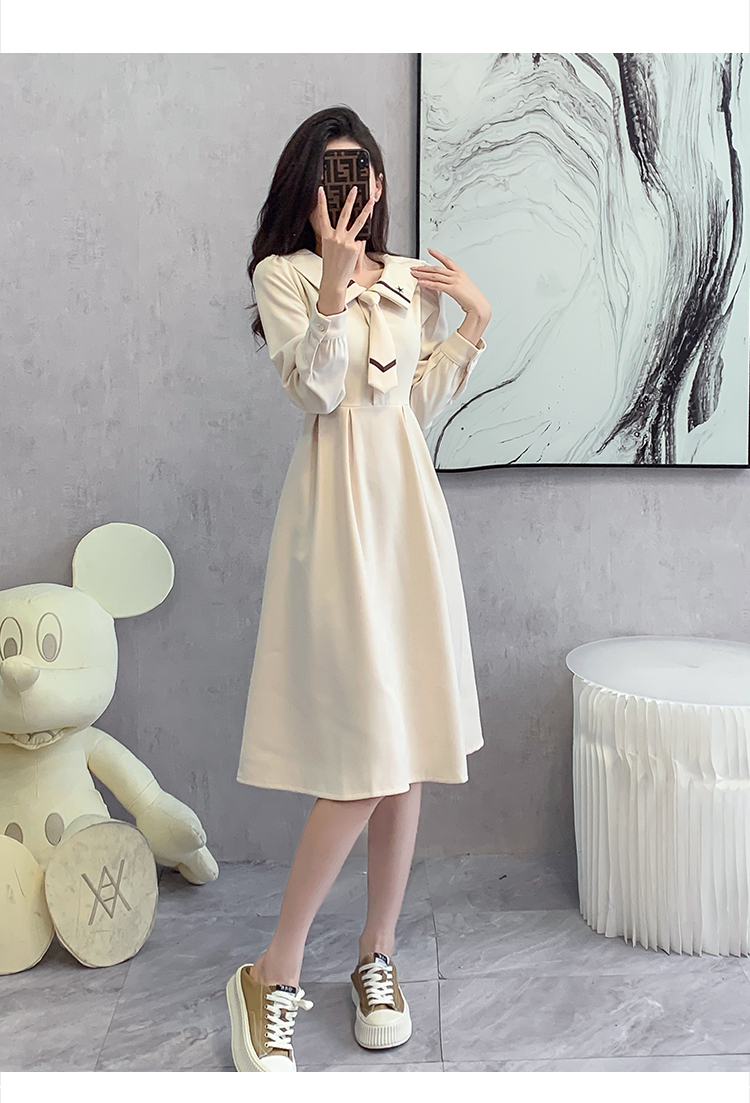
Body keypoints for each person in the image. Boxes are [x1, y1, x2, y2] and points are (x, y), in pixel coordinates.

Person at [226, 106, 491, 1073]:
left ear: (377, 183)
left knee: (406, 747)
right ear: (306, 188)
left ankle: (377, 954)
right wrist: (335, 288)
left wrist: (472, 325)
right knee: (365, 759)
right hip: (337, 520)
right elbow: (317, 392)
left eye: (363, 171)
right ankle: (274, 971)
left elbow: (409, 402)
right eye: (333, 173)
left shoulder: (407, 279)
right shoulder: (286, 275)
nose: (352, 188)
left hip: (407, 514)